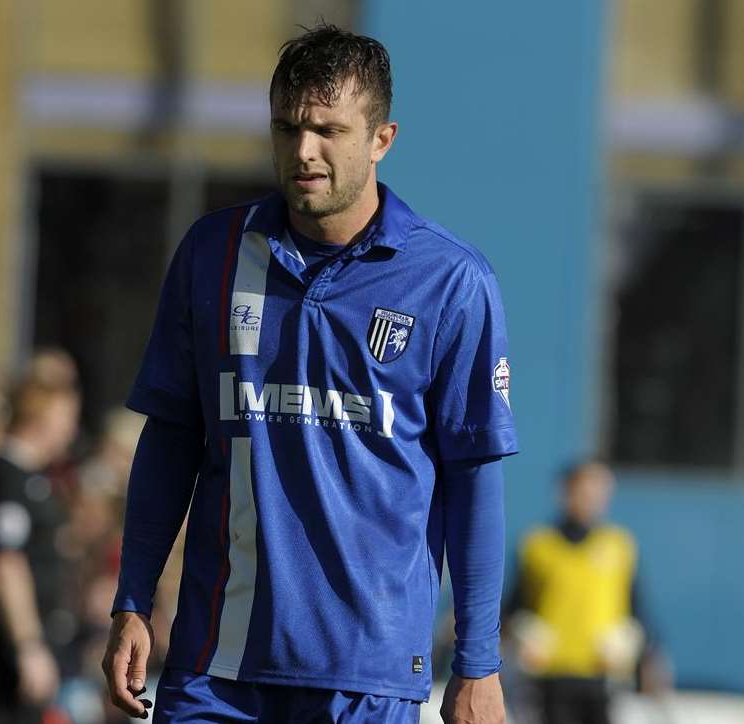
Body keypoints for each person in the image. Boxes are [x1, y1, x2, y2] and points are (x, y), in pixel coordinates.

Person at [103, 24, 518, 724]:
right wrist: (133, 601)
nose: (303, 151)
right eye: (286, 127)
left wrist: (478, 663)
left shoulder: (450, 281)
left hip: (367, 677)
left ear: (381, 139)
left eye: (328, 130)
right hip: (215, 667)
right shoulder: (213, 254)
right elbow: (170, 438)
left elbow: (473, 476)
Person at [504, 461, 647, 724]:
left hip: (604, 672)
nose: (593, 498)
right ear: (566, 491)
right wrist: (522, 636)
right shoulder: (537, 545)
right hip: (549, 673)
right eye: (585, 489)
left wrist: (646, 657)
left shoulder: (619, 545)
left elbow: (637, 609)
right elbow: (514, 607)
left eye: (600, 491)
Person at [0, 377, 80, 724]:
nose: (71, 431)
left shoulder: (35, 480)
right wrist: (28, 646)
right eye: (67, 419)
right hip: (11, 652)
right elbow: (6, 565)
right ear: (42, 418)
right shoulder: (8, 480)